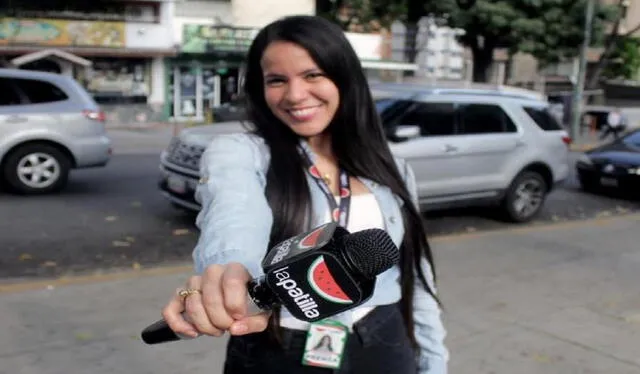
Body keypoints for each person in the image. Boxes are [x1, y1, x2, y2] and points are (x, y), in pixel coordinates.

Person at [161, 15, 448, 374]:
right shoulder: (241, 152)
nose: (295, 95)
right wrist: (230, 272)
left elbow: (417, 279)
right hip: (278, 345)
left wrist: (434, 363)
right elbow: (233, 212)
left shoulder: (394, 169)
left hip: (382, 341)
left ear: (344, 77)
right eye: (277, 80)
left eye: (313, 75)